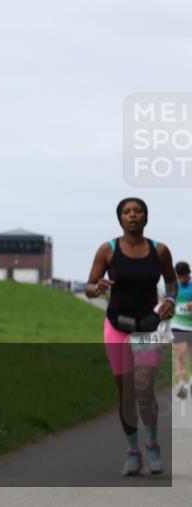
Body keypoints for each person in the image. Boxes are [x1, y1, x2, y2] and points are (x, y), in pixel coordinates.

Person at [85, 197, 178, 476]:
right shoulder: (108, 250)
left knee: (144, 388)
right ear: (120, 219)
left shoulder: (159, 251)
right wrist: (97, 287)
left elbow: (170, 280)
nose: (133, 215)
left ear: (146, 217)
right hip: (116, 326)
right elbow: (89, 285)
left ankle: (152, 445)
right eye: (127, 212)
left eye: (138, 211)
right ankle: (133, 452)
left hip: (148, 327)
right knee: (126, 394)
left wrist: (171, 299)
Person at [172, 261, 192, 398]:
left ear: (189, 274)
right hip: (178, 326)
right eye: (181, 277)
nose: (184, 279)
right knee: (180, 355)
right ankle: (182, 386)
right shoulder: (174, 288)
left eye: (186, 276)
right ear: (177, 276)